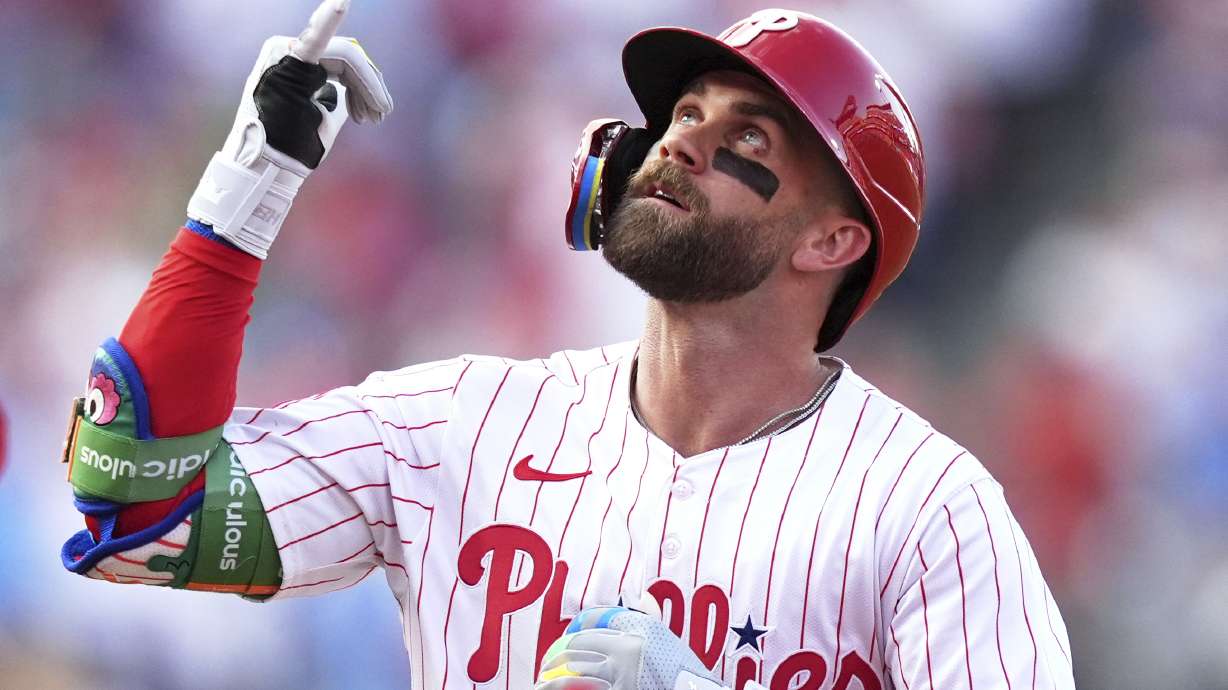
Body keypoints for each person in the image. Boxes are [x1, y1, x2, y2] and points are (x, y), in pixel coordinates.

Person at [58, 2, 1075, 688]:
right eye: (683, 113)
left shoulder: (926, 508)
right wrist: (248, 191)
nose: (681, 141)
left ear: (832, 239)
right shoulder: (461, 423)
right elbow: (140, 504)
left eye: (748, 141)